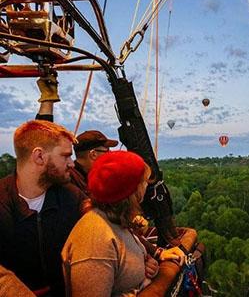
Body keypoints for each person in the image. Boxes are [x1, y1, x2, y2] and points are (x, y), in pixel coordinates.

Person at [61, 151, 186, 296]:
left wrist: (145, 264)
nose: (147, 186)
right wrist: (142, 288)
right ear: (131, 191)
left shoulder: (116, 221)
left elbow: (120, 266)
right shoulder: (95, 242)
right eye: (144, 181)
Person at [0, 120, 87, 296]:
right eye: (65, 156)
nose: (72, 163)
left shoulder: (72, 196)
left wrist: (146, 252)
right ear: (39, 157)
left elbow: (103, 222)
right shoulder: (2, 201)